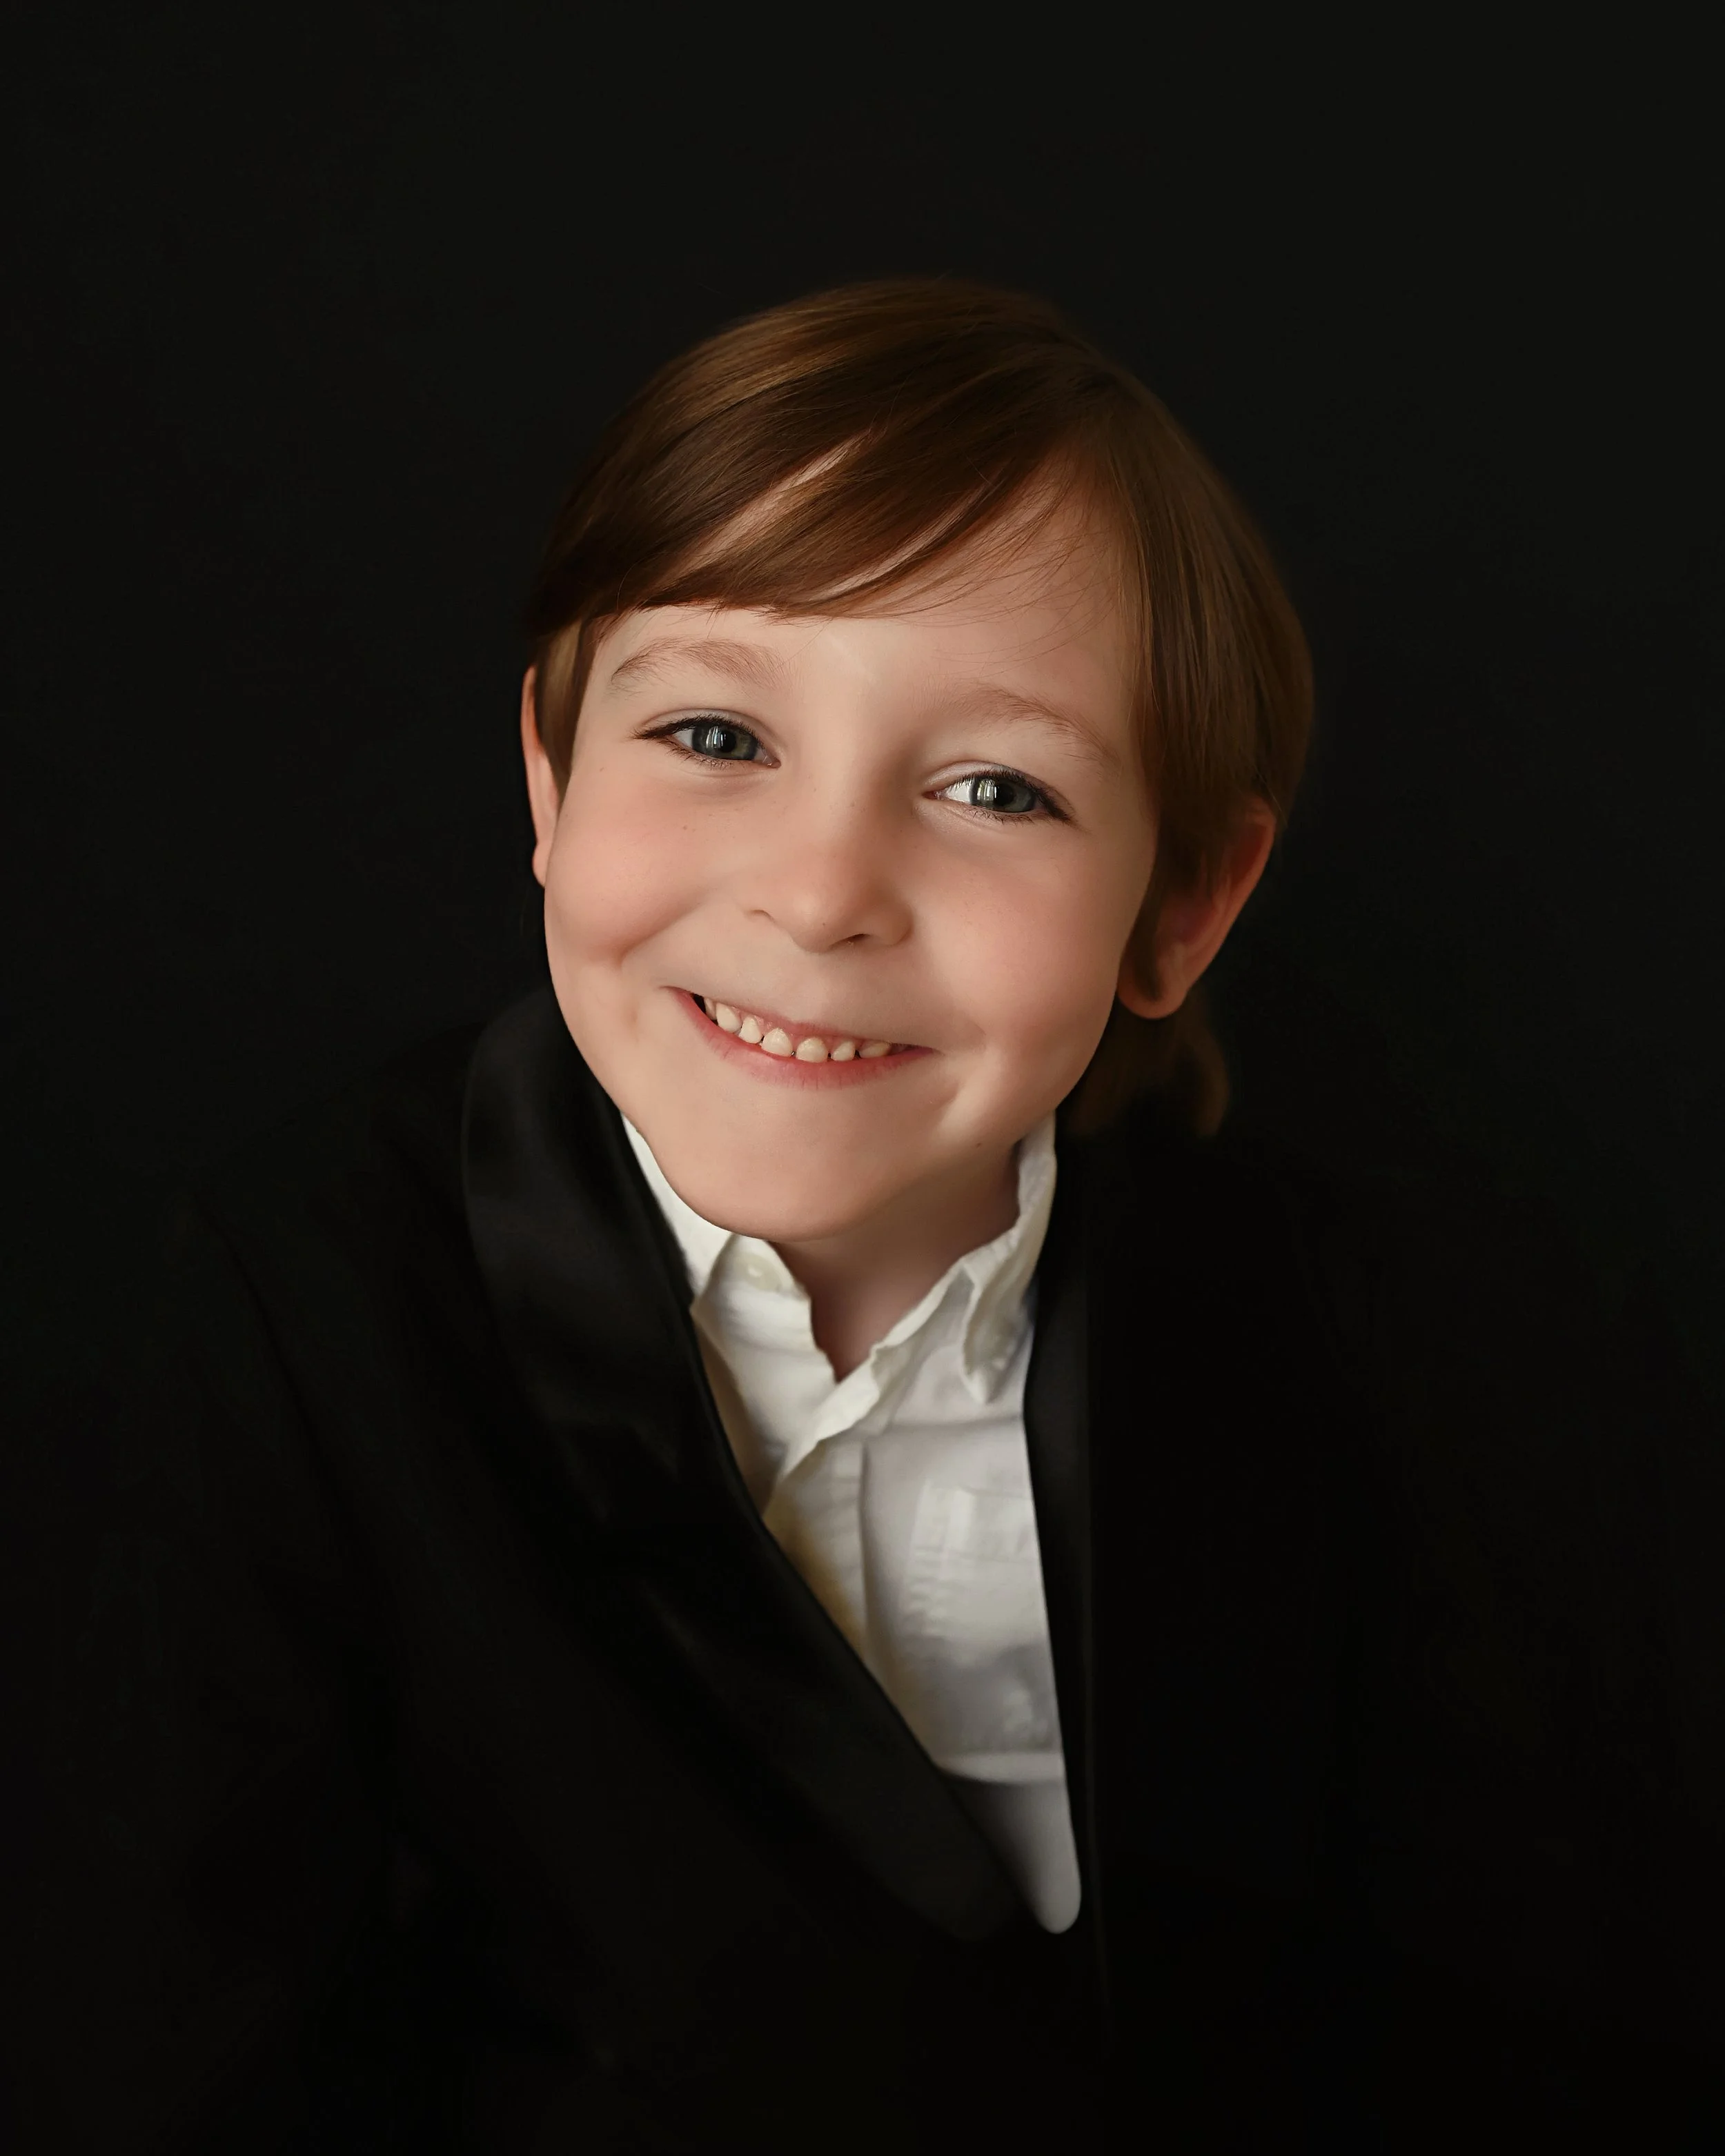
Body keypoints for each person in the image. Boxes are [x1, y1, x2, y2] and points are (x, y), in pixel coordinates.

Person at [37, 280, 1718, 2149]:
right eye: (714, 737)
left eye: (995, 786)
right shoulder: (318, 1298)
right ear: (546, 768)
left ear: (1181, 907)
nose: (825, 889)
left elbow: (1524, 2019)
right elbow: (167, 2053)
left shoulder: (1358, 1338)